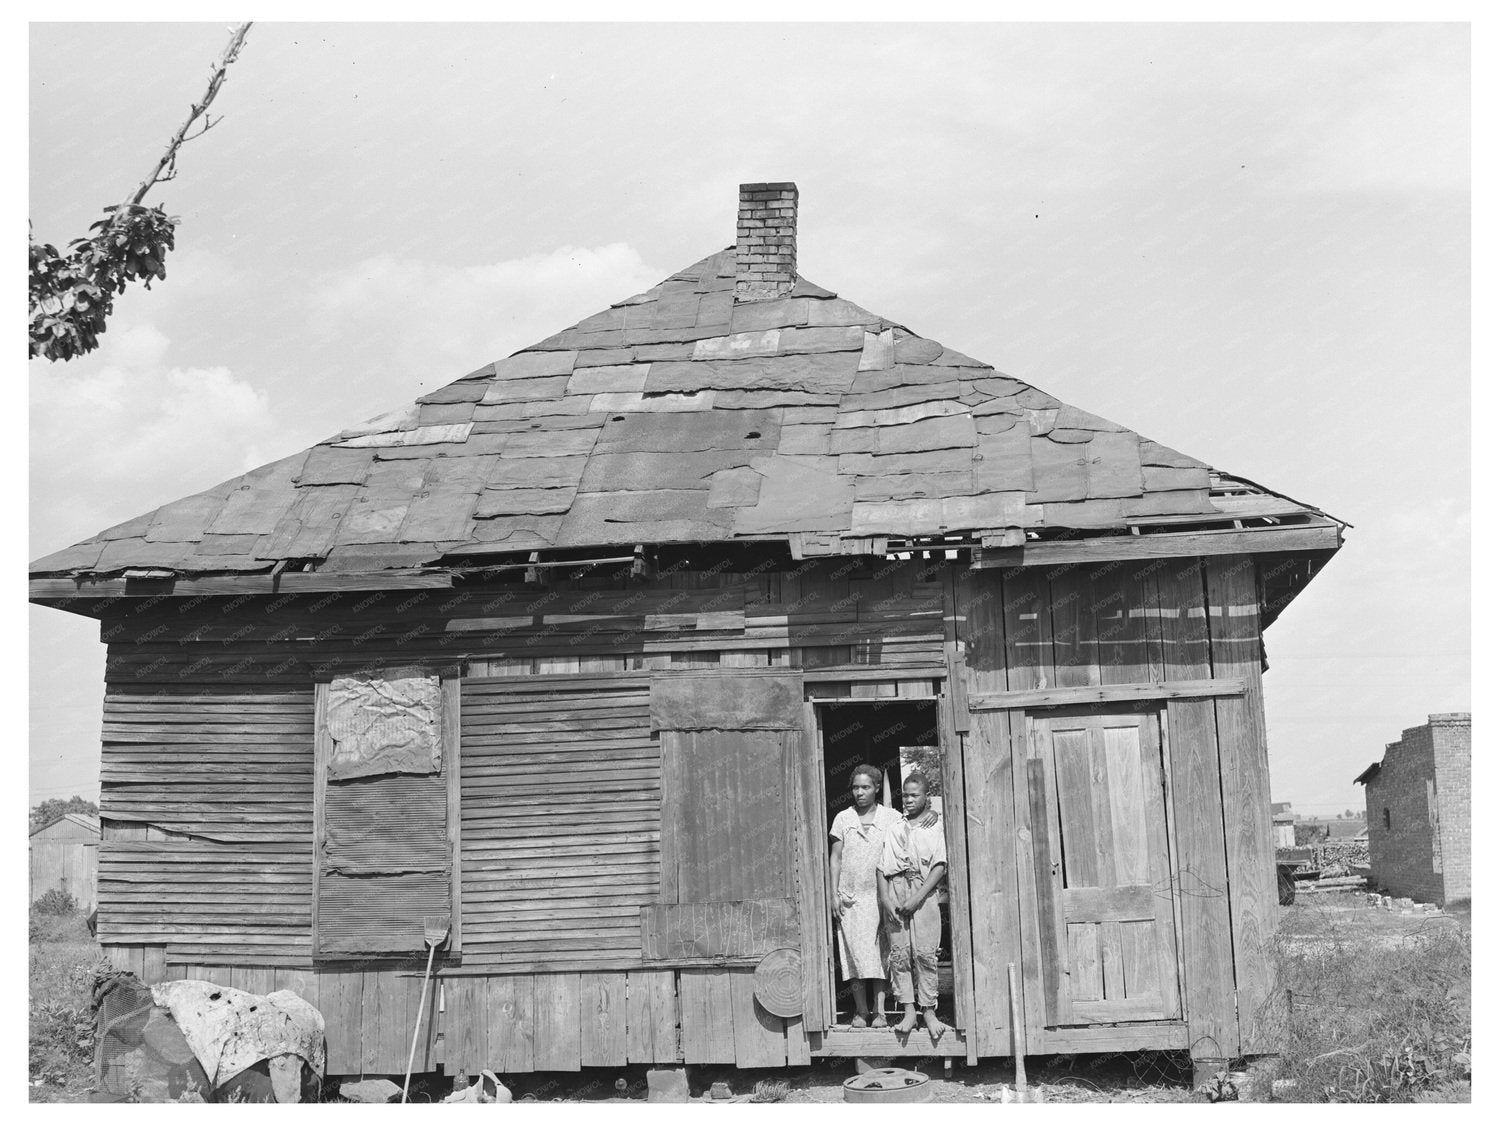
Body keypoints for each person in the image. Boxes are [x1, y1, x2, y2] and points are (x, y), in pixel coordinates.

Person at [828, 765, 904, 1027]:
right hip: (850, 898)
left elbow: (912, 835)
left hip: (881, 896)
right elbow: (835, 858)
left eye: (866, 787)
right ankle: (861, 1012)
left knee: (881, 953)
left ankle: (880, 1012)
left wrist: (930, 815)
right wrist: (833, 894)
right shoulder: (843, 818)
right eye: (855, 788)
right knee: (854, 954)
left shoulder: (892, 817)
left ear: (876, 789)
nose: (859, 793)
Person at [879, 771, 948, 1038]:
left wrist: (917, 898)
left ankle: (928, 1011)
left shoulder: (935, 825)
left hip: (923, 892)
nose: (908, 799)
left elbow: (940, 866)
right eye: (905, 795)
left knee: (924, 953)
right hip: (895, 890)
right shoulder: (894, 827)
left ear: (926, 797)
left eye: (914, 795)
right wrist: (887, 900)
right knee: (899, 954)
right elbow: (882, 867)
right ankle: (909, 1011)